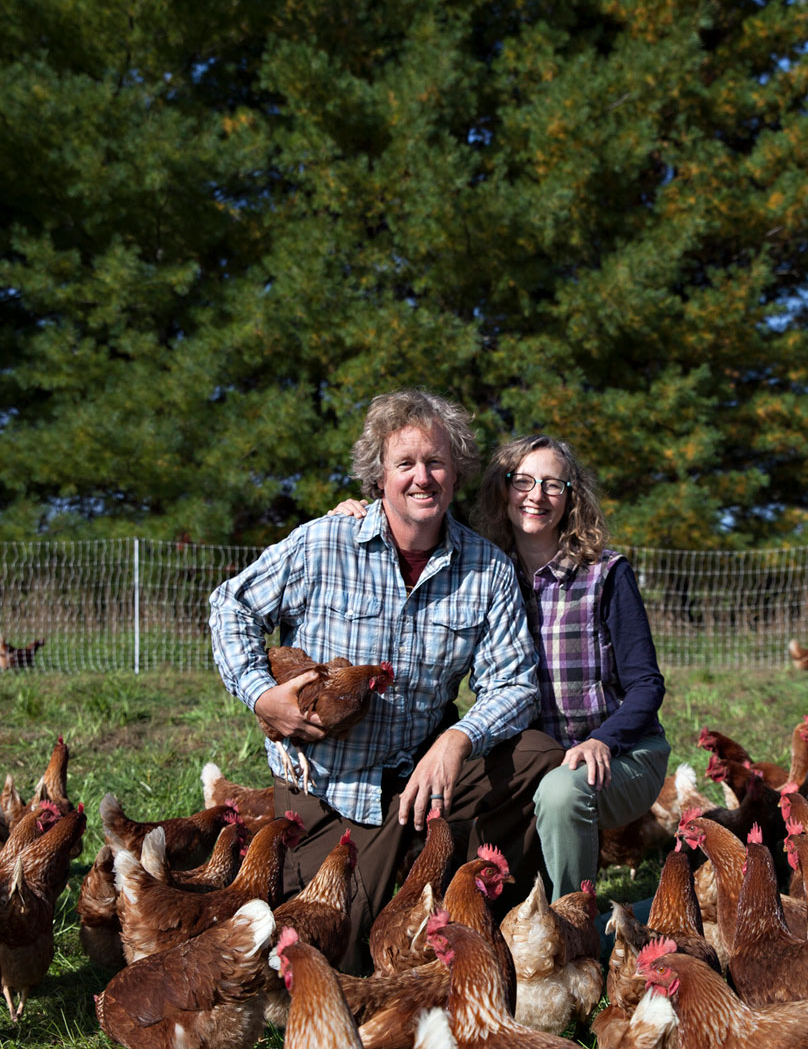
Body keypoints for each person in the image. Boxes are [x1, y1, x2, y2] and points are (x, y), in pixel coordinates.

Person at [207, 391, 563, 970]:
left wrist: (458, 739)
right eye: (406, 463)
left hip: (424, 770)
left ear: (457, 471)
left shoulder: (486, 567)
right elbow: (230, 606)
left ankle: (476, 898)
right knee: (341, 956)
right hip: (335, 786)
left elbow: (515, 684)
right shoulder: (322, 543)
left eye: (437, 462)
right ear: (379, 474)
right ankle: (411, 870)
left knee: (539, 755)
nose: (423, 478)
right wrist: (259, 694)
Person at [336, 434, 669, 898]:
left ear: (572, 496)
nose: (537, 496)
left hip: (622, 752)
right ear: (503, 489)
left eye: (554, 484)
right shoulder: (484, 573)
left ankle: (573, 929)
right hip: (537, 755)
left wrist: (603, 740)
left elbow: (647, 686)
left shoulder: (606, 574)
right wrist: (358, 515)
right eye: (524, 481)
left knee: (559, 792)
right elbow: (416, 521)